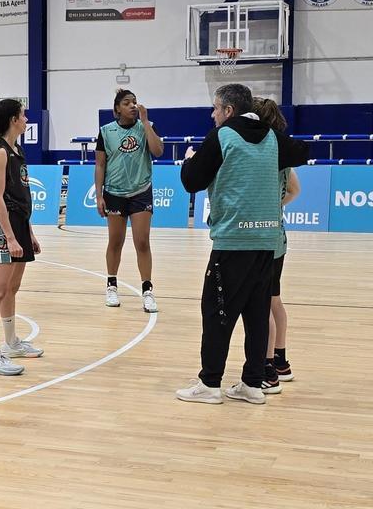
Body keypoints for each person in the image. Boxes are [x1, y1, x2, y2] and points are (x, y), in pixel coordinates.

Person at [174, 84, 308, 405]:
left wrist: (190, 160)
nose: (213, 114)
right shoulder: (273, 137)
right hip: (266, 242)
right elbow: (302, 152)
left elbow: (192, 181)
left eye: (216, 109)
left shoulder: (222, 137)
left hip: (232, 241)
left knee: (216, 313)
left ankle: (209, 384)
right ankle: (252, 383)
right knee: (257, 314)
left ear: (229, 111)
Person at [0, 99, 43, 375]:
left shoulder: (17, 149)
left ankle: (12, 343)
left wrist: (28, 233)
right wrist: (10, 237)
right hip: (4, 227)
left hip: (19, 223)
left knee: (12, 288)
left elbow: (21, 195)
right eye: (23, 115)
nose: (26, 118)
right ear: (13, 120)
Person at [95, 88, 164, 312]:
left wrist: (146, 123)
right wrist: (99, 195)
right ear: (117, 108)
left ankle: (147, 290)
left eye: (134, 102)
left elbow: (158, 151)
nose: (133, 105)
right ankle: (112, 286)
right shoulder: (106, 132)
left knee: (142, 242)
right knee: (115, 242)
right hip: (114, 193)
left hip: (140, 191)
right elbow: (100, 165)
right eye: (127, 103)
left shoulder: (146, 127)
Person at [253, 97, 300, 393]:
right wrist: (276, 207)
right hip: (279, 236)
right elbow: (295, 189)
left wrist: (265, 209)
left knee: (263, 304)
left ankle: (267, 366)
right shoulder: (282, 152)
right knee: (274, 299)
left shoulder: (263, 153)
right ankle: (281, 360)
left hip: (264, 237)